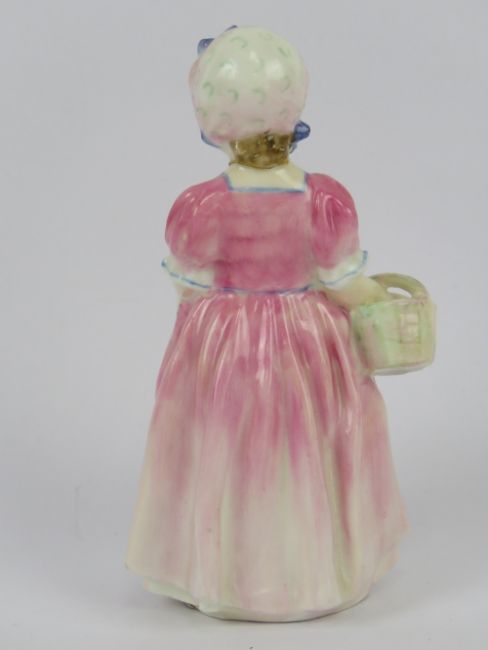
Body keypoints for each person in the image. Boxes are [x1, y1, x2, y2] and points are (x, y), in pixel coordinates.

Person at [126, 25, 408, 622]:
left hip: (226, 347)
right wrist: (381, 298)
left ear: (211, 121)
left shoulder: (201, 205)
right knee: (305, 448)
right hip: (309, 344)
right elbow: (345, 283)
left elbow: (187, 285)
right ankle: (312, 568)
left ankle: (228, 571)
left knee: (231, 450)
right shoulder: (323, 199)